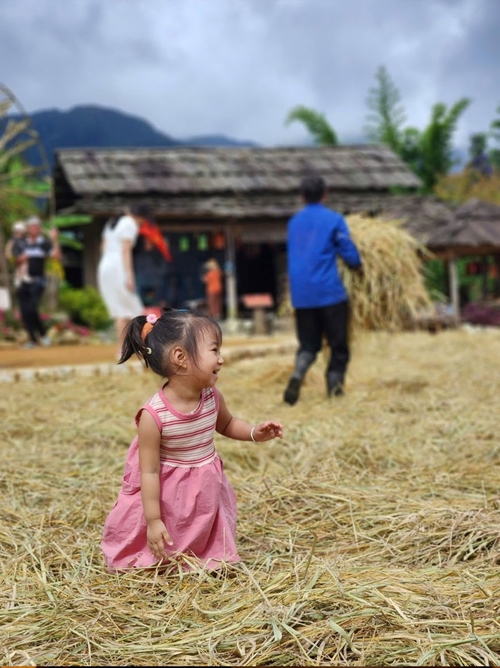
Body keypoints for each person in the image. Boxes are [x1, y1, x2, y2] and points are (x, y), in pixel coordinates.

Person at [101, 308, 283, 571]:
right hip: (169, 495)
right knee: (172, 534)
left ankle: (205, 557)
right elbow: (149, 472)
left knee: (203, 526)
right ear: (180, 357)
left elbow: (228, 424)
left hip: (205, 486)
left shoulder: (212, 397)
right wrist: (153, 521)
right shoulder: (154, 416)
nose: (221, 359)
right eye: (214, 350)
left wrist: (255, 432)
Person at [283, 174, 362, 405]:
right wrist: (357, 264)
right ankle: (334, 391)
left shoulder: (293, 223)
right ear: (325, 194)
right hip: (329, 294)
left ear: (301, 196)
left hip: (301, 296)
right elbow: (348, 251)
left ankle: (299, 372)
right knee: (339, 346)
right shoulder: (334, 219)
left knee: (308, 345)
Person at [97, 203, 151, 355]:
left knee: (121, 310)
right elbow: (125, 250)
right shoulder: (130, 224)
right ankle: (127, 349)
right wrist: (129, 276)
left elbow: (103, 247)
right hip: (118, 266)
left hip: (105, 266)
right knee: (134, 311)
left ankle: (124, 349)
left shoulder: (111, 223)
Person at [11, 216, 61, 348]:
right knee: (24, 311)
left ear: (39, 229)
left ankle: (43, 335)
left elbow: (56, 257)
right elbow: (15, 258)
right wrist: (21, 258)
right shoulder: (21, 243)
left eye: (36, 227)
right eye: (31, 226)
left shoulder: (44, 243)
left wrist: (54, 240)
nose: (33, 229)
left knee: (32, 308)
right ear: (28, 229)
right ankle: (33, 339)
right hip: (23, 280)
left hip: (38, 280)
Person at [5, 221, 29, 287]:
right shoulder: (13, 239)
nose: (19, 232)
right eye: (18, 231)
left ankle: (20, 278)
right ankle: (19, 278)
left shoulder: (25, 240)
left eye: (21, 231)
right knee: (22, 264)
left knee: (24, 265)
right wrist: (9, 255)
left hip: (23, 256)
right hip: (15, 256)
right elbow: (8, 248)